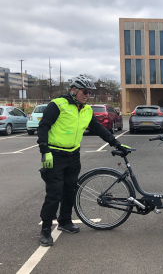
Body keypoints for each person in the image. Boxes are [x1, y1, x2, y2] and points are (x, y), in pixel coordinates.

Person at [37, 75, 130, 247]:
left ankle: (64, 221)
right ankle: (45, 230)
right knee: (54, 193)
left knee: (69, 190)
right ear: (73, 90)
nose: (87, 95)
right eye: (84, 91)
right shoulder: (57, 105)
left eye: (89, 92)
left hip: (73, 155)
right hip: (55, 155)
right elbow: (43, 127)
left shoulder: (86, 110)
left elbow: (99, 129)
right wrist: (45, 151)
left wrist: (116, 143)